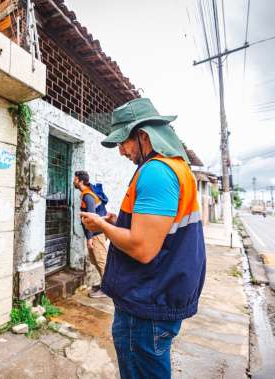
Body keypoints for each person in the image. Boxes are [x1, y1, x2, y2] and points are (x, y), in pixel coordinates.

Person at [80, 98, 206, 379]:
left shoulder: (156, 171)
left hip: (146, 302)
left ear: (143, 135)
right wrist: (117, 222)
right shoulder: (175, 168)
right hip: (156, 295)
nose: (121, 151)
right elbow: (155, 230)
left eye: (123, 142)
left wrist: (100, 224)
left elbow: (143, 247)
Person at [73, 171, 109, 298]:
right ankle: (103, 283)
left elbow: (92, 219)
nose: (74, 181)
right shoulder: (87, 193)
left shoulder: (88, 196)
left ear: (81, 182)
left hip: (97, 234)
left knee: (101, 261)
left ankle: (106, 289)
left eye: (75, 179)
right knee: (95, 260)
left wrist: (89, 238)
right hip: (95, 234)